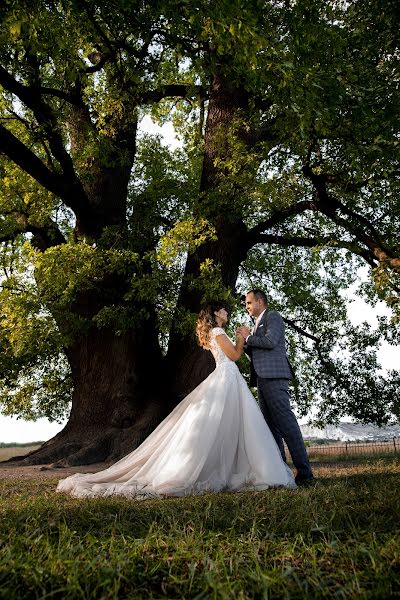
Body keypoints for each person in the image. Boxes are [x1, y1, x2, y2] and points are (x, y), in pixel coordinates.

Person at [57, 301, 295, 499]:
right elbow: (233, 355)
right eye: (223, 310)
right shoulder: (218, 332)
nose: (227, 312)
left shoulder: (215, 333)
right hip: (227, 378)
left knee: (230, 425)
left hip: (229, 379)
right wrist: (242, 338)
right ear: (215, 313)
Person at [237, 290, 314, 486]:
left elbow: (270, 342)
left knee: (287, 425)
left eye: (248, 303)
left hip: (275, 377)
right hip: (262, 379)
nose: (246, 307)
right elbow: (257, 354)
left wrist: (247, 338)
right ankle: (281, 474)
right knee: (271, 429)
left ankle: (305, 474)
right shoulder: (256, 325)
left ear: (260, 302)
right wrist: (245, 345)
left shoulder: (273, 317)